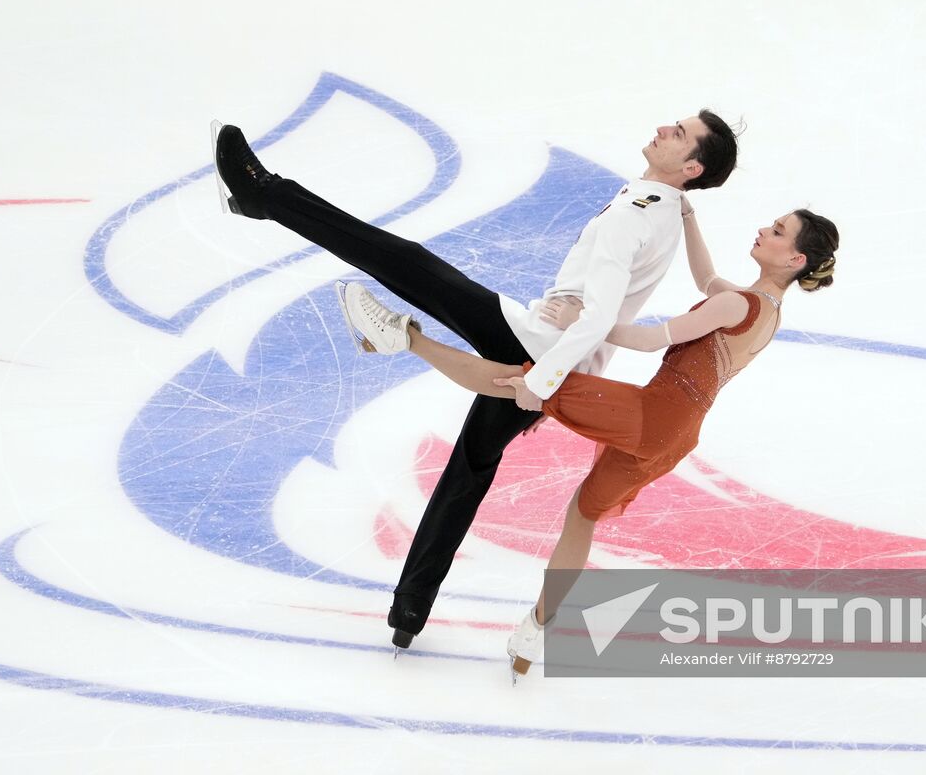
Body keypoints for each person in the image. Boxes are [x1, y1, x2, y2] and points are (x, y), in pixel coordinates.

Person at [212, 112, 739, 649]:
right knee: (469, 468)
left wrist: (543, 381)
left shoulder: (639, 213)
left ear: (691, 165)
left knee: (407, 263)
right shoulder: (665, 208)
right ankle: (409, 611)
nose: (664, 128)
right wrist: (684, 201)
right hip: (564, 363)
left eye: (679, 134)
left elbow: (600, 316)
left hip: (539, 350)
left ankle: (267, 196)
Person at [334, 206, 839, 676]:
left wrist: (586, 323)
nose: (764, 231)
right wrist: (686, 218)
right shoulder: (767, 312)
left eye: (777, 231)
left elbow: (649, 339)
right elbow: (707, 279)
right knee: (583, 514)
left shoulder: (737, 302)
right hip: (677, 437)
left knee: (523, 381)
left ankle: (402, 337)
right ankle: (534, 636)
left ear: (795, 258)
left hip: (653, 414)